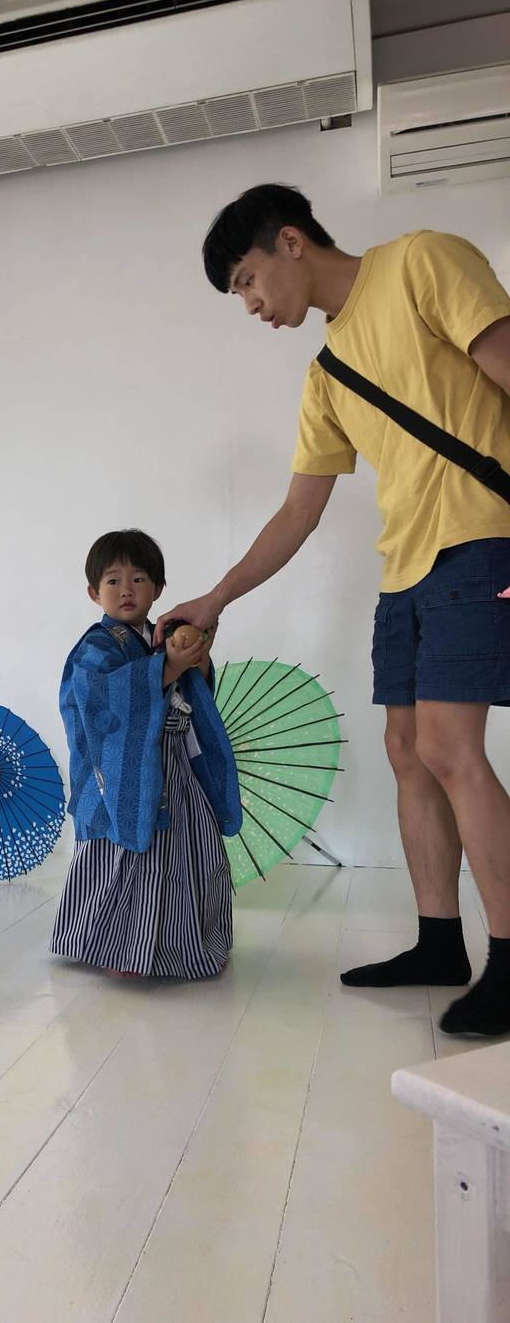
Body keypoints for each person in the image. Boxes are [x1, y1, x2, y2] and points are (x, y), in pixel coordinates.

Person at [155, 183, 510, 1035]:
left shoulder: (421, 261)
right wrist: (215, 597)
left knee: (449, 746)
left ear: (290, 242)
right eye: (238, 293)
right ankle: (439, 942)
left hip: (482, 535)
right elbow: (298, 512)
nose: (250, 304)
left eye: (246, 280)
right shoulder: (326, 376)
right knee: (407, 750)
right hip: (406, 567)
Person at [50, 529, 240, 978]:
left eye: (138, 579)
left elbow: (194, 693)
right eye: (113, 580)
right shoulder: (96, 647)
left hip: (176, 768)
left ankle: (182, 944)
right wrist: (169, 666)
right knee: (129, 853)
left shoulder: (160, 637)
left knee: (188, 854)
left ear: (158, 588)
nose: (126, 590)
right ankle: (121, 950)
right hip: (124, 774)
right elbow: (103, 699)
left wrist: (197, 659)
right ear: (94, 592)